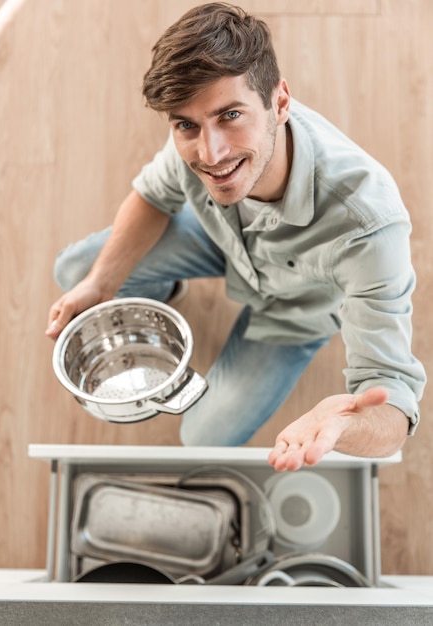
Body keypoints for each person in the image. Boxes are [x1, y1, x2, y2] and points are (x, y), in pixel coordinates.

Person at [45, 2, 426, 471]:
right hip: (220, 241)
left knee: (203, 434)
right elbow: (152, 195)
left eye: (230, 116)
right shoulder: (202, 120)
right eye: (186, 125)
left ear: (280, 102)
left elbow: (396, 403)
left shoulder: (368, 226)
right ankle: (166, 290)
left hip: (294, 312)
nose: (211, 153)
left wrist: (345, 426)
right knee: (75, 272)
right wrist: (101, 284)